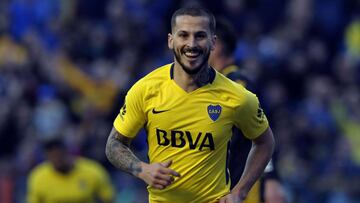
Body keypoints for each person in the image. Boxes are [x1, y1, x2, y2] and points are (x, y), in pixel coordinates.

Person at [105, 7, 275, 203]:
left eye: (200, 36)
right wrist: (141, 169)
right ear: (171, 40)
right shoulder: (145, 90)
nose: (191, 44)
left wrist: (240, 191)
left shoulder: (238, 96)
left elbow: (265, 142)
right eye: (183, 35)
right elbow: (114, 144)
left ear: (213, 42)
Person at [208, 18, 286, 203]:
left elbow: (263, 135)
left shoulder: (238, 86)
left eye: (201, 38)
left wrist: (270, 179)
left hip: (242, 187)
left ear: (216, 45)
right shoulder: (215, 85)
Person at [27, 138, 115, 203]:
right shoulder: (38, 177)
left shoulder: (92, 171)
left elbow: (108, 198)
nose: (57, 160)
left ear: (67, 153)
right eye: (52, 157)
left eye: (59, 156)